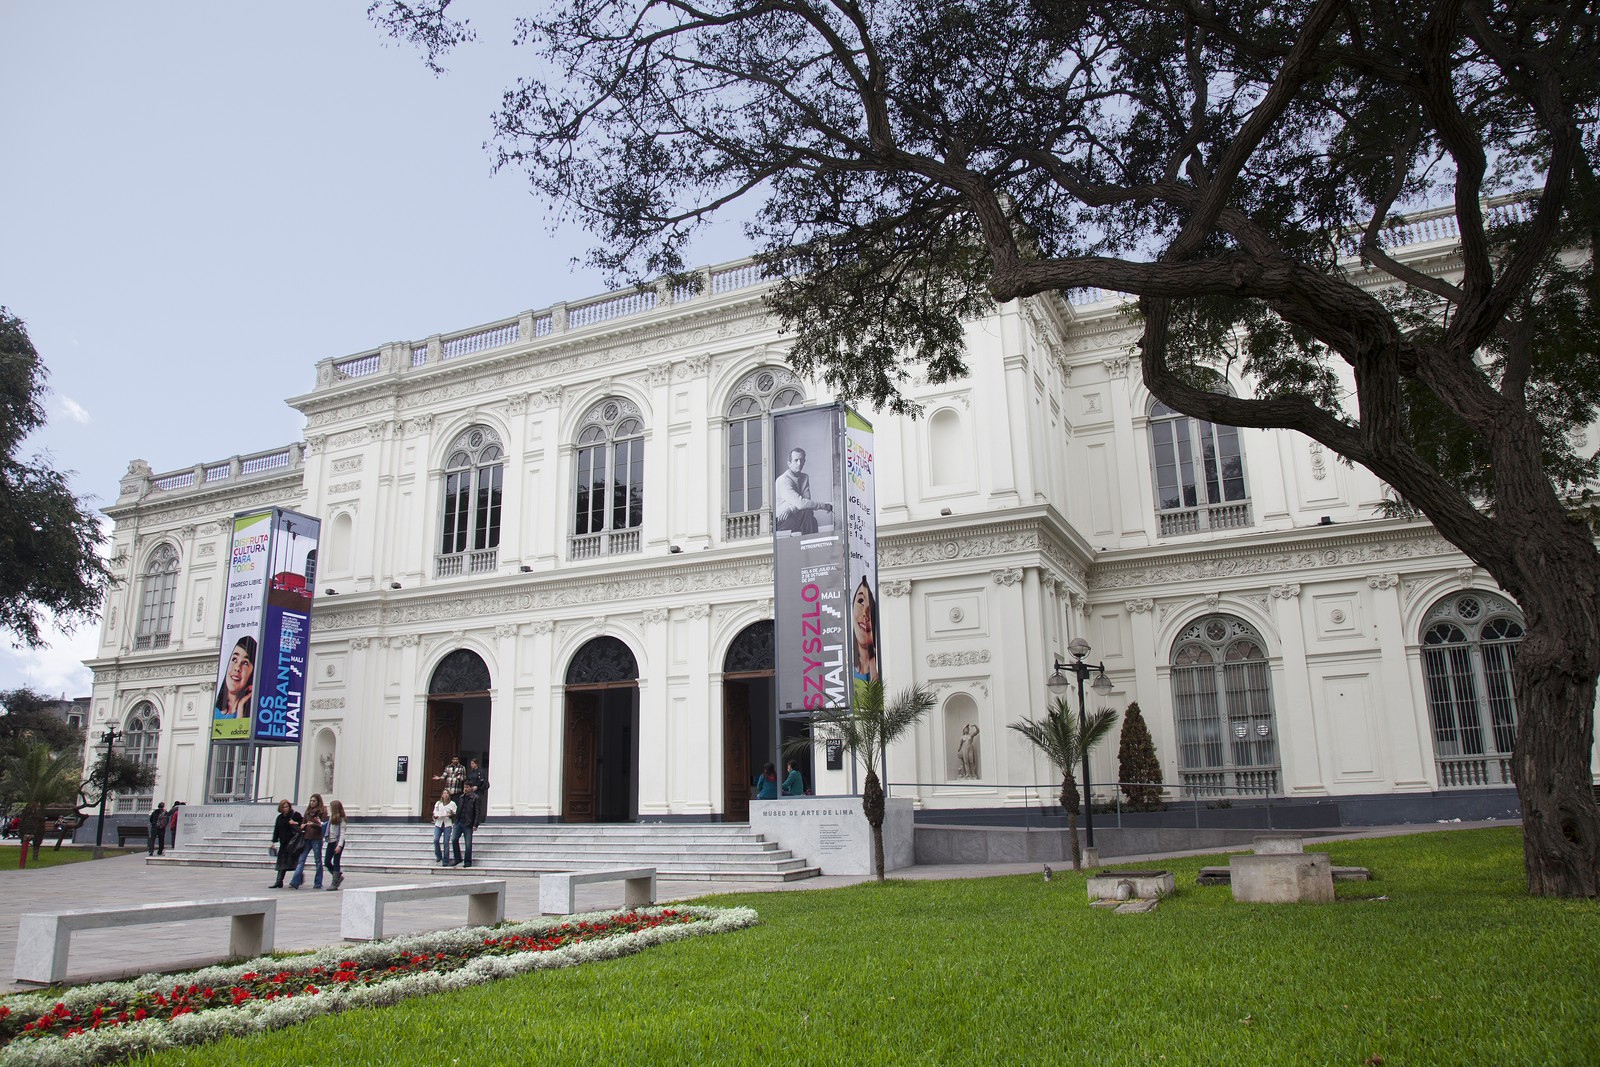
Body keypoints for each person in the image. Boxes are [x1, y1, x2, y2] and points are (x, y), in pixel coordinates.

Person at [773, 448, 833, 534]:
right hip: (781, 520)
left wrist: (790, 509)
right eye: (796, 460)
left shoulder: (805, 477)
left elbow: (805, 502)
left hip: (797, 514)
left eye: (801, 460)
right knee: (808, 518)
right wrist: (824, 506)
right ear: (789, 463)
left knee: (810, 516)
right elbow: (801, 504)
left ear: (804, 461)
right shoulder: (783, 480)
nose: (799, 463)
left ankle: (810, 543)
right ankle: (810, 543)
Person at [290, 793, 328, 889]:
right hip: (306, 838)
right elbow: (303, 823)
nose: (312, 803)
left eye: (314, 801)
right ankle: (295, 882)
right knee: (301, 860)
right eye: (311, 801)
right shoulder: (307, 811)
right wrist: (301, 825)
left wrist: (313, 824)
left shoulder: (322, 812)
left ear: (318, 802)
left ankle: (318, 882)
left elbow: (323, 826)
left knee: (318, 861)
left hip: (316, 838)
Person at [213, 636, 256, 718]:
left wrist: (241, 708)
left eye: (245, 663)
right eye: (234, 660)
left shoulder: (254, 712)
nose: (237, 668)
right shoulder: (214, 711)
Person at [850, 577, 880, 684]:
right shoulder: (847, 664)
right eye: (861, 601)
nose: (865, 614)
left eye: (871, 608)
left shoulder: (879, 663)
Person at [269, 799, 302, 889]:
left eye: (287, 806)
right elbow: (277, 830)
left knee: (294, 861)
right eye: (283, 807)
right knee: (282, 862)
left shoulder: (295, 815)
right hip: (283, 843)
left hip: (293, 842)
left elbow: (301, 825)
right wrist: (273, 842)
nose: (285, 808)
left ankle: (299, 877)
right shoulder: (280, 818)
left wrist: (295, 823)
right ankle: (279, 881)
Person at [448, 783, 479, 868]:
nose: (465, 789)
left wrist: (475, 824)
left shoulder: (475, 798)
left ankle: (467, 861)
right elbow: (459, 809)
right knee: (454, 839)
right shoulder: (461, 797)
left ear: (471, 788)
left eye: (467, 787)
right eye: (464, 787)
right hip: (459, 822)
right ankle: (457, 858)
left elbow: (477, 812)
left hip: (468, 823)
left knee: (468, 843)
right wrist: (455, 820)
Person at [324, 799, 348, 890]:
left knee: (336, 861)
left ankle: (334, 883)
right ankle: (337, 875)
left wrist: (339, 845)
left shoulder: (342, 820)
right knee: (327, 861)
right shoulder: (331, 818)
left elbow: (342, 834)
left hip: (337, 842)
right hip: (331, 841)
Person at [431, 787, 456, 865]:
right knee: (436, 840)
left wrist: (451, 814)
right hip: (438, 823)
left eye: (447, 793)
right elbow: (435, 812)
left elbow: (454, 813)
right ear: (442, 795)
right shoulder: (438, 803)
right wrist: (435, 816)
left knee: (446, 842)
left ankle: (445, 860)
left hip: (447, 824)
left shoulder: (452, 804)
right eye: (444, 793)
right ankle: (438, 855)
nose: (445, 795)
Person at [465, 759, 489, 825]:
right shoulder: (470, 773)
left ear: (476, 764)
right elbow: (468, 780)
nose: (471, 765)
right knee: (470, 806)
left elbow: (482, 780)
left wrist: (477, 787)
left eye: (473, 763)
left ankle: (478, 820)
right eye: (471, 763)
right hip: (471, 791)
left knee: (477, 806)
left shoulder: (480, 772)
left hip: (478, 791)